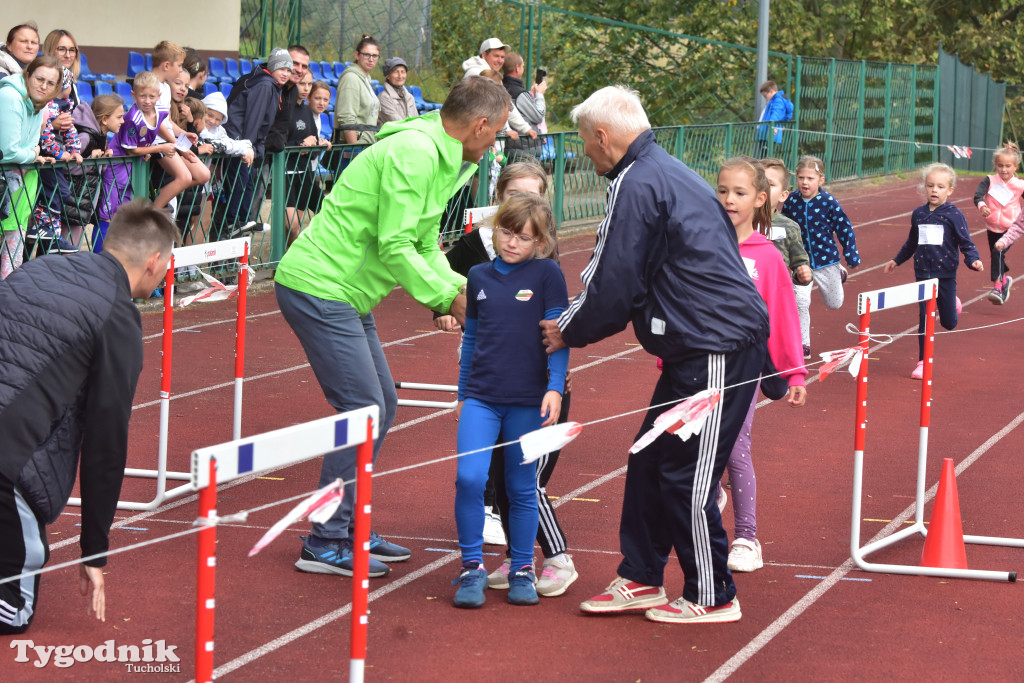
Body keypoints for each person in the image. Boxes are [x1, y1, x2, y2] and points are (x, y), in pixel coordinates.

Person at [540, 86, 769, 625]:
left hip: (716, 343)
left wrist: (568, 329)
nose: (583, 154)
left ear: (602, 137)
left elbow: (612, 279)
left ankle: (713, 595)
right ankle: (642, 576)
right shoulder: (661, 170)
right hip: (696, 342)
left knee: (686, 471)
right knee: (649, 457)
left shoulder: (638, 181)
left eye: (583, 143)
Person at [273, 75, 510, 579]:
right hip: (319, 286)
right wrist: (447, 297)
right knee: (362, 409)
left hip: (347, 292)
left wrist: (464, 290)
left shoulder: (445, 157)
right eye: (498, 132)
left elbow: (424, 245)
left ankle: (347, 523)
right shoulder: (418, 154)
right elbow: (396, 245)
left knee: (382, 402)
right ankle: (326, 537)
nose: (497, 142)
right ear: (480, 124)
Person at [0, 199, 179, 634]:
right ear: (154, 262)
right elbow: (106, 442)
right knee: (13, 615)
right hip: (7, 466)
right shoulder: (118, 317)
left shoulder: (37, 268)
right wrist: (94, 552)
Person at [436, 161, 580, 598]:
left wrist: (555, 387)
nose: (512, 242)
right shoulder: (477, 276)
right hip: (481, 398)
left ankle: (521, 569)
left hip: (527, 401)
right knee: (469, 478)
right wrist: (463, 394)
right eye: (506, 232)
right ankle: (472, 567)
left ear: (540, 241)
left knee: (519, 486)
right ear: (495, 228)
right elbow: (473, 335)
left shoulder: (548, 275)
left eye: (523, 237)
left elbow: (557, 337)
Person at [715, 156, 807, 573]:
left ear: (759, 199)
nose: (729, 200)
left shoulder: (767, 257)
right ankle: (712, 493)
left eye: (739, 193)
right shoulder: (700, 246)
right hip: (698, 366)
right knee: (694, 442)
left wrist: (795, 370)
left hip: (745, 369)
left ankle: (747, 537)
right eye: (722, 191)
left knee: (735, 444)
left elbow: (784, 316)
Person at [884, 164, 983, 379]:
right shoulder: (918, 214)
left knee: (949, 323)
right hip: (922, 274)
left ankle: (952, 303)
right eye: (930, 186)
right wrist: (897, 260)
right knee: (924, 318)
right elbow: (911, 242)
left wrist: (973, 260)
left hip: (945, 275)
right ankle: (922, 361)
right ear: (924, 188)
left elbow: (966, 242)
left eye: (940, 186)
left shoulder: (954, 214)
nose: (934, 190)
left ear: (950, 190)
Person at [95, 71, 196, 252]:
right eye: (142, 96)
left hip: (134, 170)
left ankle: (121, 254)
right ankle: (99, 255)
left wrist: (182, 146)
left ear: (159, 96)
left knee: (126, 214)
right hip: (117, 170)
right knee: (108, 215)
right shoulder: (133, 118)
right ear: (134, 95)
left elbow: (160, 128)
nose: (147, 101)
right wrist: (159, 148)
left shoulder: (160, 110)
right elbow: (131, 149)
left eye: (151, 96)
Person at [781, 155, 860, 359]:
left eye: (810, 178)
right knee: (801, 301)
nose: (805, 182)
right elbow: (785, 227)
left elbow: (844, 228)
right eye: (801, 177)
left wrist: (851, 255)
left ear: (821, 180)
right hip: (800, 262)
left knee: (834, 304)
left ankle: (840, 273)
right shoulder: (791, 202)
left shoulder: (828, 203)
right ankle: (803, 344)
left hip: (827, 261)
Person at [216, 47, 292, 240]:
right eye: (282, 68)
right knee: (239, 184)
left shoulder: (270, 83)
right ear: (272, 67)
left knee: (246, 184)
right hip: (239, 143)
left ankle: (242, 221)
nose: (286, 73)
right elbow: (254, 119)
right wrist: (248, 146)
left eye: (289, 70)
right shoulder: (266, 85)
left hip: (245, 143)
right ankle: (234, 223)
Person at [0, 55, 61, 279]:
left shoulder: (40, 104)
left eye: (50, 83)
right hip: (5, 184)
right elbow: (9, 152)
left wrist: (30, 152)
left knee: (12, 259)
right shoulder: (10, 97)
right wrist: (33, 154)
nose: (43, 86)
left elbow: (29, 145)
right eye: (39, 79)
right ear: (28, 76)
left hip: (21, 187)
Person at [973, 143, 1024, 304]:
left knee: (997, 252)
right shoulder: (989, 180)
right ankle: (1005, 281)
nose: (1003, 169)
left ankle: (997, 286)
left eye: (1008, 166)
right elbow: (978, 196)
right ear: (995, 165)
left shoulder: (1020, 185)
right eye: (1000, 165)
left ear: (1015, 167)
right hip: (992, 227)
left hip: (1011, 228)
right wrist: (982, 206)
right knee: (997, 255)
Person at [284, 69, 329, 244]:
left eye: (309, 84)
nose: (306, 88)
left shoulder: (306, 112)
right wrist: (300, 145)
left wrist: (320, 146)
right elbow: (275, 143)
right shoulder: (283, 108)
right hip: (286, 174)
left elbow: (313, 152)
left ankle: (284, 266)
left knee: (296, 229)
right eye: (302, 83)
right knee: (292, 224)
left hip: (304, 174)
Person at [761, 158, 812, 288]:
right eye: (758, 182)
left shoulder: (790, 228)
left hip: (775, 293)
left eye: (770, 184)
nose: (763, 187)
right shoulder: (739, 221)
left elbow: (800, 262)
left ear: (783, 195)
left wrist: (803, 274)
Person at [334, 35, 381, 145]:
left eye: (375, 56)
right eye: (367, 55)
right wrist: (354, 151)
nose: (371, 59)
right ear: (357, 55)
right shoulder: (351, 78)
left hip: (366, 146)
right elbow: (346, 118)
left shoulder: (366, 79)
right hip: (353, 150)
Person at [265, 45, 310, 155]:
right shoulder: (266, 87)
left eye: (304, 66)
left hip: (275, 158)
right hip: (252, 156)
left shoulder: (294, 91)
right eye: (295, 63)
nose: (299, 70)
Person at [501, 53, 542, 162]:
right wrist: (540, 95)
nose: (523, 68)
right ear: (517, 68)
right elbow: (538, 116)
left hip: (507, 147)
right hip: (523, 148)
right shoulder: (519, 93)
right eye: (523, 66)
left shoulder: (501, 87)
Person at [42, 29, 82, 107]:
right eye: (61, 49)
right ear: (50, 50)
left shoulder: (72, 84)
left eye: (72, 50)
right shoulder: (39, 81)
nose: (68, 55)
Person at [755, 80, 793, 158]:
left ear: (771, 91)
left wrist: (773, 126)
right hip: (766, 132)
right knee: (763, 157)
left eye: (765, 96)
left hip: (769, 133)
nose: (765, 98)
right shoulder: (774, 100)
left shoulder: (777, 100)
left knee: (765, 158)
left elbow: (776, 113)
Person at [377, 56, 418, 126]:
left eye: (403, 72)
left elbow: (416, 120)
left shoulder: (410, 97)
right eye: (396, 72)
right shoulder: (383, 98)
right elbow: (397, 124)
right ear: (388, 75)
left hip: (409, 134)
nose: (400, 76)